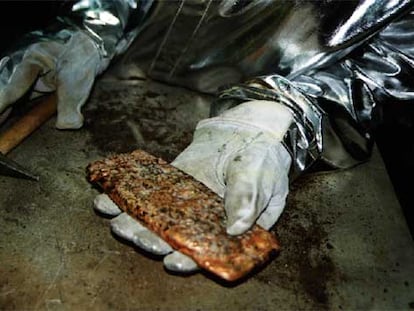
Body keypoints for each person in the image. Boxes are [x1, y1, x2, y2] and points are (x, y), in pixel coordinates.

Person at [1, 0, 413, 273]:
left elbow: (397, 61)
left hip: (283, 103)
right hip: (123, 78)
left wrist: (284, 114)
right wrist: (90, 27)